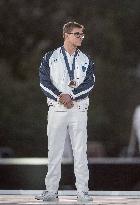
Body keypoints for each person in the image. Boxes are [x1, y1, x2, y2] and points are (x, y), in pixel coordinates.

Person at [35, 21, 95, 202]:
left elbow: (90, 83)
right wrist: (60, 96)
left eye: (82, 34)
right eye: (77, 34)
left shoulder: (86, 59)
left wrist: (72, 96)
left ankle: (83, 191)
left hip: (78, 109)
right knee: (54, 150)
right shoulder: (49, 57)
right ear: (66, 35)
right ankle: (51, 190)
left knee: (80, 151)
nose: (81, 37)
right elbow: (43, 82)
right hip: (57, 109)